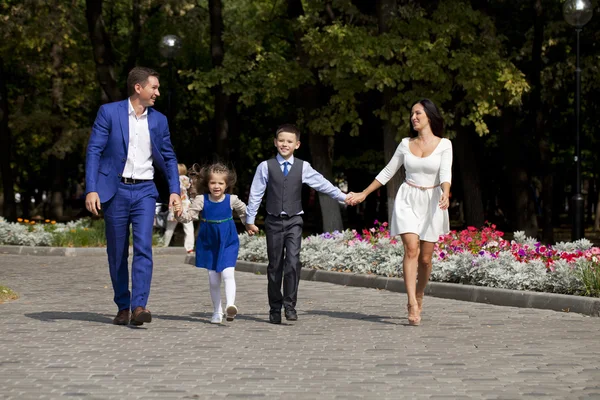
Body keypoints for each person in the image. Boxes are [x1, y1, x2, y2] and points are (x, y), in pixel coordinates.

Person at [85, 66, 182, 326]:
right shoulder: (109, 113)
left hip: (145, 191)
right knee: (117, 253)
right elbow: (94, 151)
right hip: (115, 191)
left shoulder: (159, 120)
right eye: (154, 87)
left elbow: (169, 157)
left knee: (143, 248)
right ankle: (122, 306)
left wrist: (175, 190)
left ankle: (139, 306)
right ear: (138, 88)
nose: (158, 93)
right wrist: (91, 188)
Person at [347, 99, 452, 326]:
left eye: (418, 113)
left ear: (430, 116)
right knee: (411, 249)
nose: (413, 117)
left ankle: (420, 293)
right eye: (412, 114)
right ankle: (412, 301)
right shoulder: (405, 144)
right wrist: (364, 193)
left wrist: (445, 192)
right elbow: (388, 172)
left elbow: (445, 173)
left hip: (433, 201)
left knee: (425, 259)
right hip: (408, 199)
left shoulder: (445, 145)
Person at [245, 124, 347, 324]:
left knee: (293, 263)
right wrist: (250, 220)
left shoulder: (303, 167)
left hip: (294, 221)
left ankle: (290, 306)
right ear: (275, 142)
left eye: (289, 141)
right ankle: (275, 308)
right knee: (275, 266)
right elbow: (256, 194)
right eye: (281, 140)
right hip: (274, 221)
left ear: (297, 144)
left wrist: (343, 197)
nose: (284, 144)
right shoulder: (265, 167)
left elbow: (321, 183)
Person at [175, 163, 247, 324]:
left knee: (228, 273)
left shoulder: (232, 200)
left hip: (228, 240)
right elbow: (188, 217)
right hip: (209, 241)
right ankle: (217, 311)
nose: (216, 186)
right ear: (207, 183)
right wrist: (178, 213)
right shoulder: (201, 200)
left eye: (220, 183)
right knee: (213, 279)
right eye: (213, 182)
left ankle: (230, 306)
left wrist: (248, 224)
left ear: (226, 184)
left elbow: (244, 211)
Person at [163, 163, 195, 253]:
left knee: (170, 227)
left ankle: (164, 244)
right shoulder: (188, 180)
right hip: (186, 204)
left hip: (176, 203)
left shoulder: (175, 179)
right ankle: (189, 247)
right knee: (188, 227)